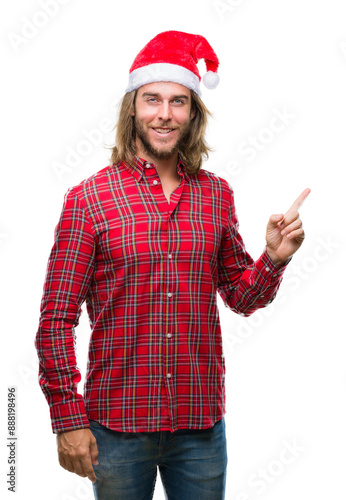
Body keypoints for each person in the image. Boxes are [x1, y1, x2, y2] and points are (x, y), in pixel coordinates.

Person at [35, 30, 310, 500]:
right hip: (116, 427)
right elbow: (56, 319)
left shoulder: (215, 195)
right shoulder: (89, 199)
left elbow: (241, 297)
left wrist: (273, 259)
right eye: (152, 100)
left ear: (193, 113)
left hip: (201, 429)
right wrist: (66, 418)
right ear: (132, 108)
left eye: (178, 101)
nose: (164, 114)